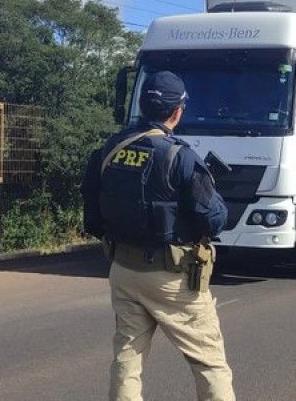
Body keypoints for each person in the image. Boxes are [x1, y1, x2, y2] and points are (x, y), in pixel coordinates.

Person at [82, 71, 235, 401]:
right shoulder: (180, 156)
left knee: (127, 357)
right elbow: (215, 220)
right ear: (177, 112)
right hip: (171, 277)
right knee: (210, 363)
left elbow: (93, 215)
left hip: (122, 269)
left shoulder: (112, 148)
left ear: (141, 104)